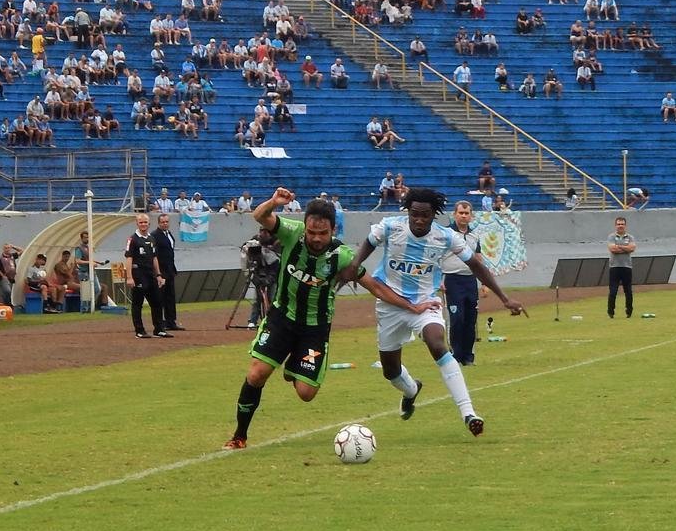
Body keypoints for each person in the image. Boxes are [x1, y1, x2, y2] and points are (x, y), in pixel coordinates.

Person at [223, 188, 441, 450]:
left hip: (314, 329)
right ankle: (239, 435)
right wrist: (273, 202)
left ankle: (293, 367)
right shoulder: (291, 232)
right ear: (304, 227)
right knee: (257, 374)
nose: (316, 238)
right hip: (281, 319)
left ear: (333, 230)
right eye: (311, 232)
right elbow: (259, 216)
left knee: (306, 394)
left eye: (322, 233)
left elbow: (375, 286)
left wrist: (411, 306)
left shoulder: (343, 256)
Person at [343, 188, 527, 437]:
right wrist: (354, 264)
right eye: (414, 215)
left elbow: (475, 265)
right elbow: (368, 243)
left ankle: (468, 413)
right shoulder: (390, 227)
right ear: (407, 212)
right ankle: (411, 390)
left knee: (437, 343)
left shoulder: (446, 237)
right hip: (390, 304)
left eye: (425, 215)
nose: (419, 220)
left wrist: (504, 298)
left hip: (426, 303)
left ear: (434, 215)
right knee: (390, 371)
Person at [442, 201, 483, 366]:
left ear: (471, 216)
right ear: (454, 214)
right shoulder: (446, 234)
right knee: (456, 318)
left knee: (470, 319)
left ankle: (468, 356)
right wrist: (438, 280)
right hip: (452, 280)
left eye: (467, 213)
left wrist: (484, 283)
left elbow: (479, 260)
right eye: (461, 213)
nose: (464, 216)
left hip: (470, 281)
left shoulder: (475, 236)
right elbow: (436, 257)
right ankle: (455, 355)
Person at [124, 213, 169, 338]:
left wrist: (158, 274)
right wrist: (129, 277)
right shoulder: (132, 239)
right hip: (138, 274)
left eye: (145, 222)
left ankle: (159, 329)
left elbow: (154, 258)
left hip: (150, 274)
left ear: (149, 224)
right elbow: (129, 258)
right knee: (137, 303)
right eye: (141, 222)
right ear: (137, 223)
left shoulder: (151, 239)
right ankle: (139, 330)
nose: (143, 224)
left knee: (157, 302)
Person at [242, 226, 280, 328]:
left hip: (273, 271)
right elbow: (245, 247)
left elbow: (276, 262)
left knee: (271, 298)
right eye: (262, 231)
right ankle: (253, 320)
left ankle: (271, 320)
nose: (263, 234)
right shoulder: (256, 239)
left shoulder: (276, 240)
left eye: (266, 232)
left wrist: (270, 278)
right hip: (258, 270)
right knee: (257, 299)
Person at [153, 213, 183, 330]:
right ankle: (160, 322)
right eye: (163, 222)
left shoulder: (169, 234)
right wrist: (158, 273)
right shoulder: (155, 235)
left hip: (170, 270)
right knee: (160, 298)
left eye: (167, 222)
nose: (165, 224)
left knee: (170, 297)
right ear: (159, 223)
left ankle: (171, 321)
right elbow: (154, 255)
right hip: (161, 271)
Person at [607, 216, 636, 319]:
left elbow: (632, 248)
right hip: (614, 267)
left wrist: (619, 246)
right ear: (615, 225)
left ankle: (629, 311)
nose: (620, 226)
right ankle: (610, 312)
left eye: (622, 224)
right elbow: (612, 249)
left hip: (626, 267)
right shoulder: (611, 237)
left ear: (625, 225)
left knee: (628, 291)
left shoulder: (630, 237)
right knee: (613, 291)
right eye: (618, 224)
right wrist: (625, 248)